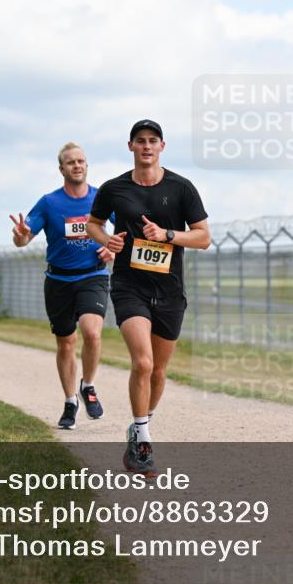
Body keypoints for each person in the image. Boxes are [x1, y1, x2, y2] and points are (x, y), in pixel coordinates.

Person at [87, 119, 210, 476]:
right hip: (129, 286)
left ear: (162, 147)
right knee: (142, 362)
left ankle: (139, 426)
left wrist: (167, 235)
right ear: (130, 146)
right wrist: (106, 240)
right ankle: (143, 441)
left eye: (152, 141)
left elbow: (203, 237)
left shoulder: (181, 188)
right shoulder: (114, 188)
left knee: (158, 370)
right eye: (140, 141)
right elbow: (94, 223)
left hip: (170, 289)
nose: (146, 146)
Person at [10, 142, 114, 430]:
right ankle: (70, 402)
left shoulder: (101, 198)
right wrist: (19, 235)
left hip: (93, 275)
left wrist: (112, 248)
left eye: (81, 161)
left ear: (87, 166)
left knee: (92, 333)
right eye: (71, 162)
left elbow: (126, 228)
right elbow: (23, 239)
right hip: (58, 281)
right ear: (61, 169)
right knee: (66, 342)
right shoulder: (49, 202)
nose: (77, 166)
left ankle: (88, 386)